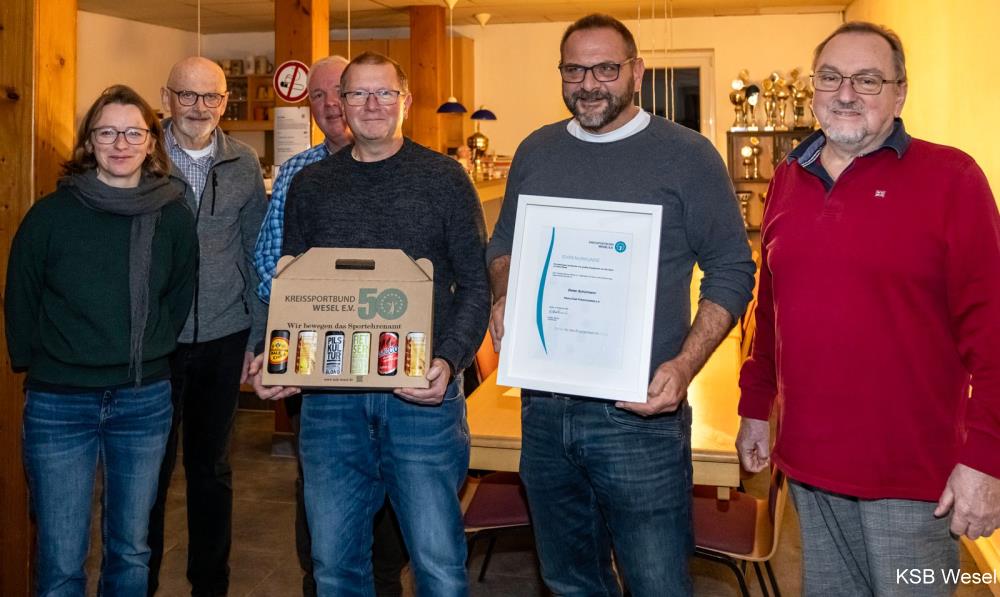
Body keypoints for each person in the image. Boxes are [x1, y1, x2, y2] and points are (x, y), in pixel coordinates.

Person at [485, 14, 755, 597]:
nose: (589, 84)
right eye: (574, 70)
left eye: (606, 68)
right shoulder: (536, 150)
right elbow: (504, 243)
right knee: (568, 580)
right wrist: (505, 292)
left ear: (637, 72)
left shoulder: (687, 155)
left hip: (639, 414)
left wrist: (683, 366)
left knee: (657, 583)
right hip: (543, 408)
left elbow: (733, 268)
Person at [737, 21, 1000, 597]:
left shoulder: (953, 180)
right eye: (831, 77)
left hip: (914, 482)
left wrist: (987, 459)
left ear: (900, 93)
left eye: (868, 80)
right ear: (814, 89)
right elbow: (771, 310)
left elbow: (994, 335)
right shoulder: (788, 178)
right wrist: (755, 405)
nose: (846, 93)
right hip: (808, 465)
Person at [250, 51, 490, 596]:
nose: (372, 104)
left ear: (406, 101)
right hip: (331, 403)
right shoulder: (311, 184)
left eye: (385, 93)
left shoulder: (445, 179)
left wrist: (449, 359)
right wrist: (277, 356)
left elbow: (476, 285)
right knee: (335, 568)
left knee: (438, 566)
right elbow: (295, 284)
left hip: (420, 397)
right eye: (358, 93)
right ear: (341, 102)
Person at [5, 84, 197, 595]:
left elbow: (178, 296)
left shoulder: (173, 215)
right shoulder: (51, 216)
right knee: (61, 555)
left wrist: (149, 347)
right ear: (89, 141)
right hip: (59, 402)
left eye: (133, 133)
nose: (120, 143)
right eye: (107, 132)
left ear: (152, 142)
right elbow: (21, 297)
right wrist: (44, 360)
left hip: (143, 399)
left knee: (131, 550)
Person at [252, 55, 409, 597]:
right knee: (321, 487)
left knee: (392, 484)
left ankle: (385, 581)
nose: (331, 106)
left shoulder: (412, 169)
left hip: (390, 359)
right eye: (317, 96)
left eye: (337, 92)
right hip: (316, 363)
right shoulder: (300, 173)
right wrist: (300, 320)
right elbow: (270, 263)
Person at [147, 56, 268, 597]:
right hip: (156, 342)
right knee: (148, 471)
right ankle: (139, 581)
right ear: (167, 98)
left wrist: (258, 336)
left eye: (212, 97)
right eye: (188, 95)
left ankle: (210, 584)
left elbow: (257, 251)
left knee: (211, 470)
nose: (200, 108)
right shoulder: (143, 157)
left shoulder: (243, 162)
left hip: (224, 337)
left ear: (225, 102)